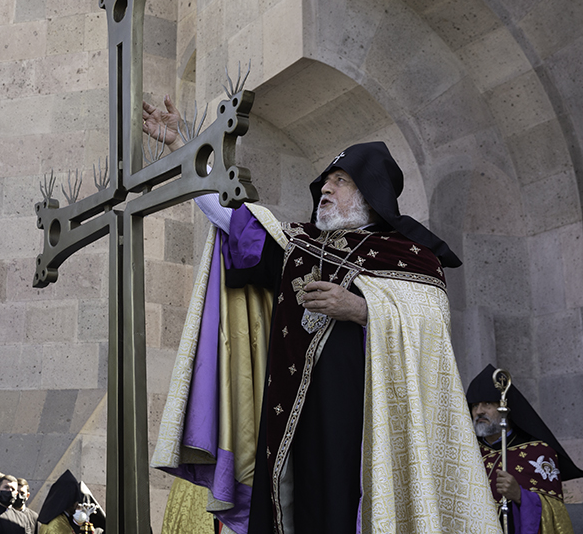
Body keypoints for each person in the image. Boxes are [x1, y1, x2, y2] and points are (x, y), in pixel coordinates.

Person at [144, 97, 501, 534]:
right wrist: (182, 147)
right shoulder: (300, 246)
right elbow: (231, 218)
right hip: (293, 425)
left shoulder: (411, 257)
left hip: (368, 427)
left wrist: (363, 308)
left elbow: (430, 326)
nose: (326, 189)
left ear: (371, 193)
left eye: (340, 180)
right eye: (325, 181)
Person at [467, 364, 580, 533]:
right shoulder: (467, 454)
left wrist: (520, 496)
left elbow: (556, 514)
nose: (479, 411)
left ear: (506, 408)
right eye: (475, 406)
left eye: (487, 403)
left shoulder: (538, 453)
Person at [36, 470, 104, 534]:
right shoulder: (58, 526)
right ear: (68, 501)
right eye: (75, 500)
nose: (77, 504)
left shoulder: (64, 520)